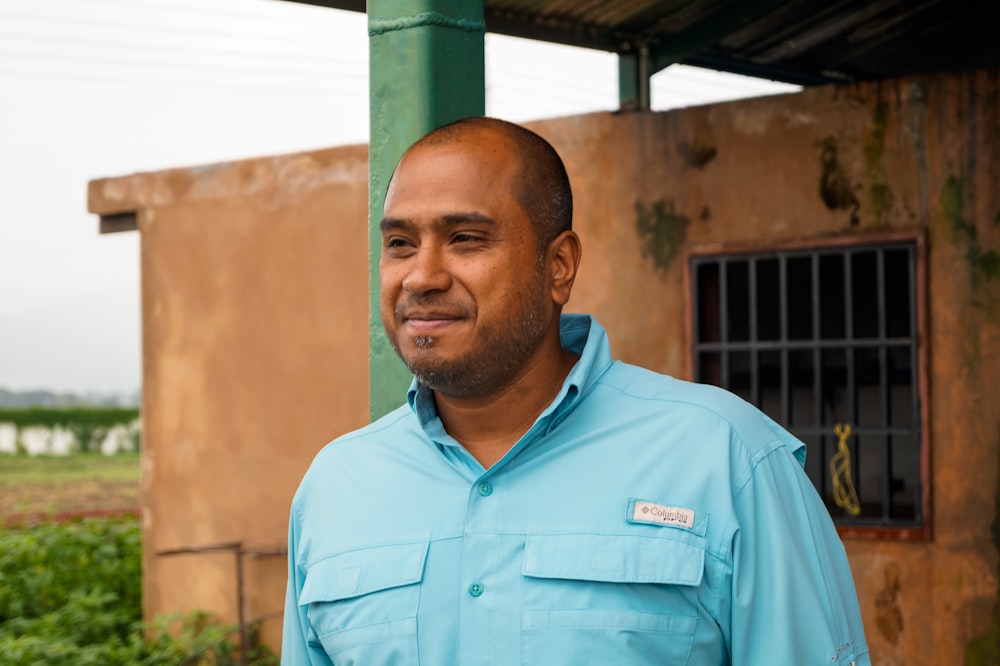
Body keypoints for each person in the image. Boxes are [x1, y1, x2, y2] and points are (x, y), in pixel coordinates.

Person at [282, 117, 871, 665]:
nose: (422, 276)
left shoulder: (726, 458)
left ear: (559, 265)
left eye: (465, 238)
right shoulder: (334, 490)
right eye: (400, 244)